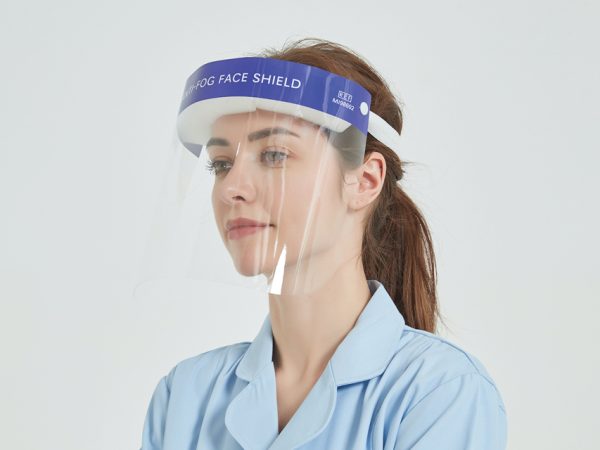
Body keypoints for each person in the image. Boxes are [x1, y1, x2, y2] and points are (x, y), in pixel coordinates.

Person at [140, 38, 507, 450]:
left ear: (364, 181)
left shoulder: (438, 394)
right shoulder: (185, 395)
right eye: (222, 164)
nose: (232, 188)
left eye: (274, 155)